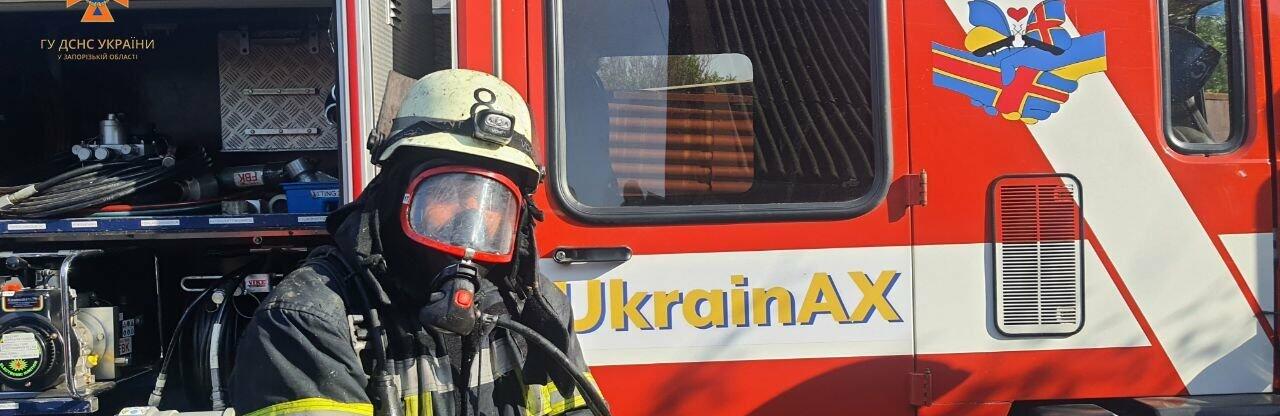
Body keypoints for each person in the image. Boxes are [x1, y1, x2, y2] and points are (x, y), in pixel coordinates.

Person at [229, 69, 607, 416]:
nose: (471, 216)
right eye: (447, 191)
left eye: (493, 201)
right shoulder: (309, 319)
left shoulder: (535, 309)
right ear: (398, 194)